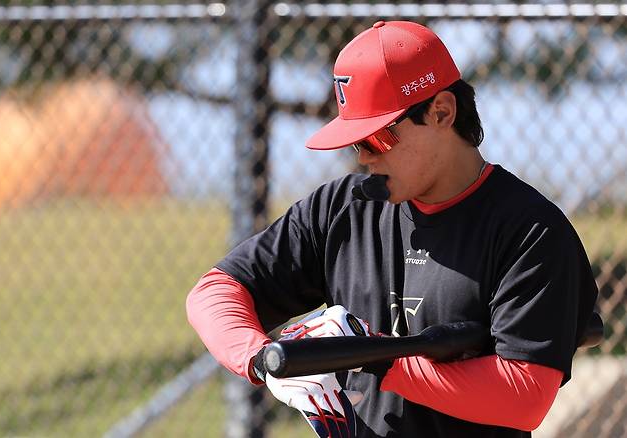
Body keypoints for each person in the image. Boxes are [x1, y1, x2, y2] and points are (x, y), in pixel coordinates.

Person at [187, 20, 598, 438]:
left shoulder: (529, 229)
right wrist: (263, 361)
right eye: (356, 142)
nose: (364, 158)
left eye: (377, 139)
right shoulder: (343, 208)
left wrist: (373, 356)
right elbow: (216, 290)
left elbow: (524, 395)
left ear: (442, 112)